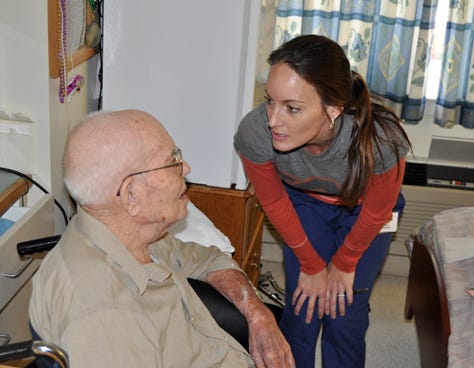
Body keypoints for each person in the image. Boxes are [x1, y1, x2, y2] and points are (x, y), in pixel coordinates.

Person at [29, 109, 295, 368]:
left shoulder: (135, 236)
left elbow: (210, 259)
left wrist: (258, 315)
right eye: (173, 162)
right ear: (132, 195)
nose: (186, 168)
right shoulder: (106, 317)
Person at [234, 34, 411, 368]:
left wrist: (344, 264)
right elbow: (273, 202)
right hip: (303, 204)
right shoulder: (254, 133)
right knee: (304, 309)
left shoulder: (381, 139)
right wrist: (313, 266)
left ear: (333, 108)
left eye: (292, 108)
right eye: (270, 100)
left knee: (344, 312)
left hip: (365, 214)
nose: (273, 119)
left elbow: (377, 211)